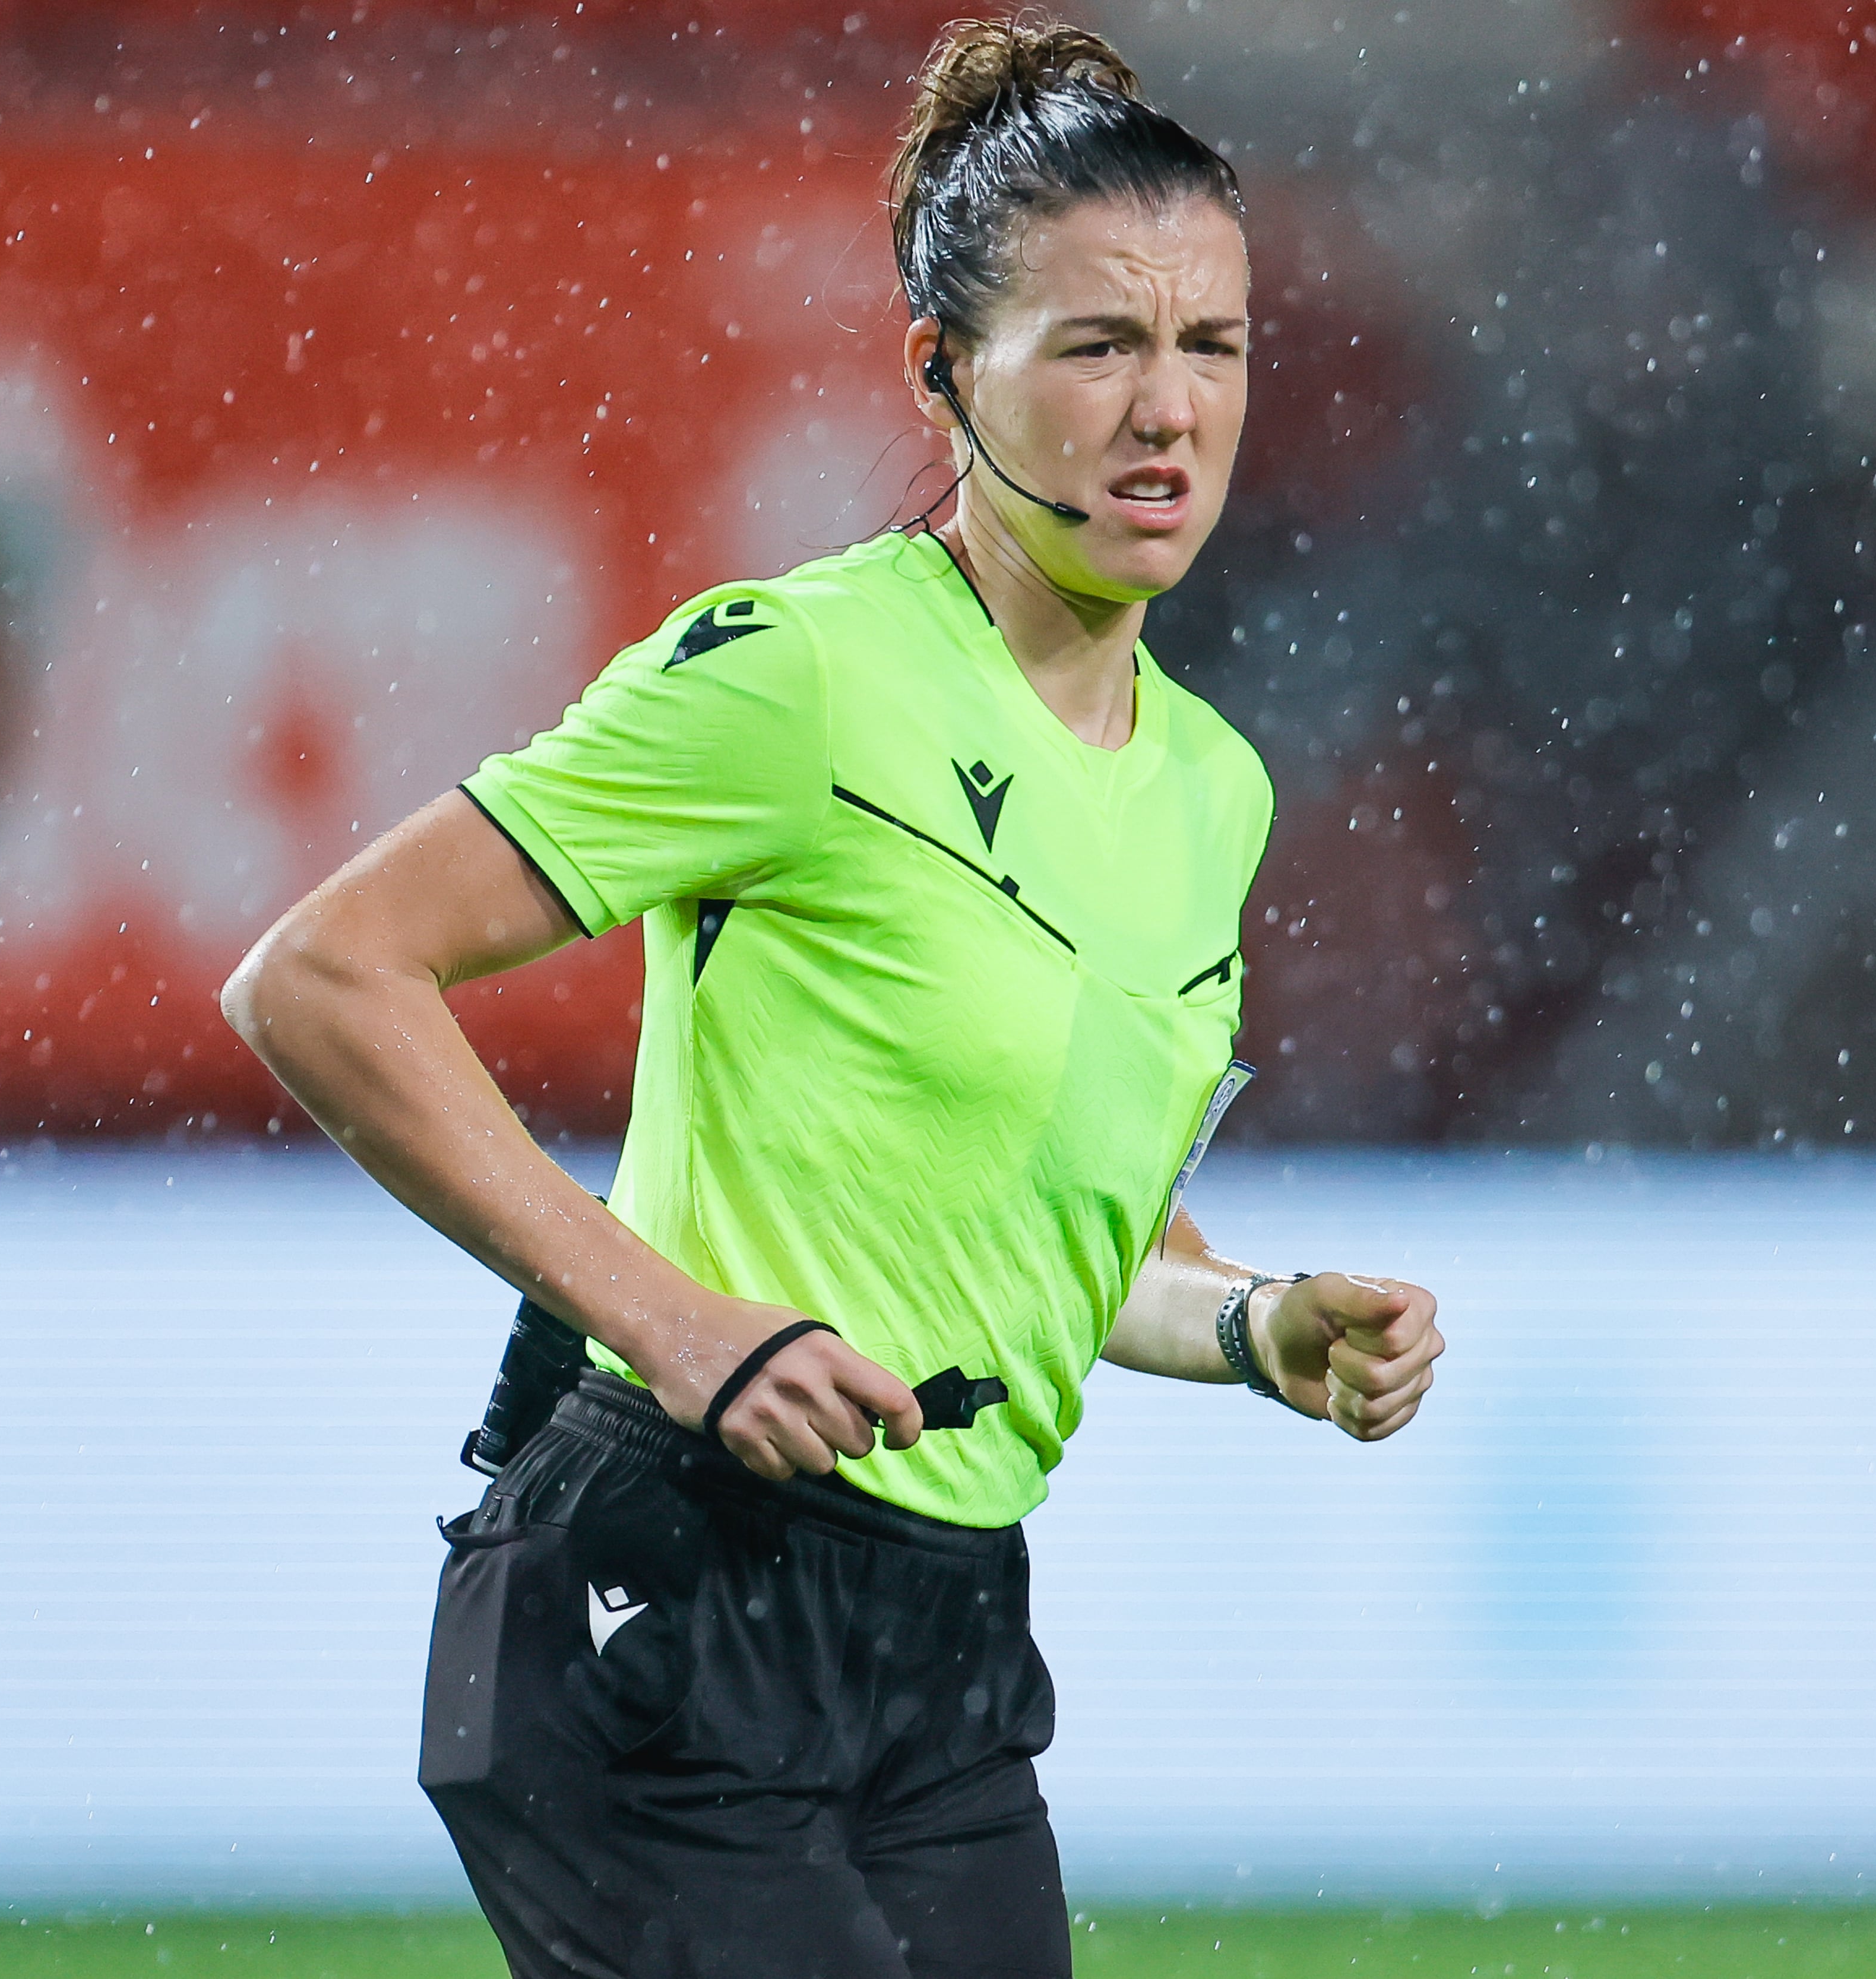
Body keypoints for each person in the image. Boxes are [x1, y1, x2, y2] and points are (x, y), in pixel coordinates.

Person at [221, 17, 1443, 1977]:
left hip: (944, 1657)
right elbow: (326, 978)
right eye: (1098, 345)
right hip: (665, 1604)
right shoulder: (800, 678)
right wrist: (683, 1326)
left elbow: (1063, 1241)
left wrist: (1259, 1324)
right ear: (942, 372)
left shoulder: (1214, 790)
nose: (1168, 413)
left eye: (1211, 346)